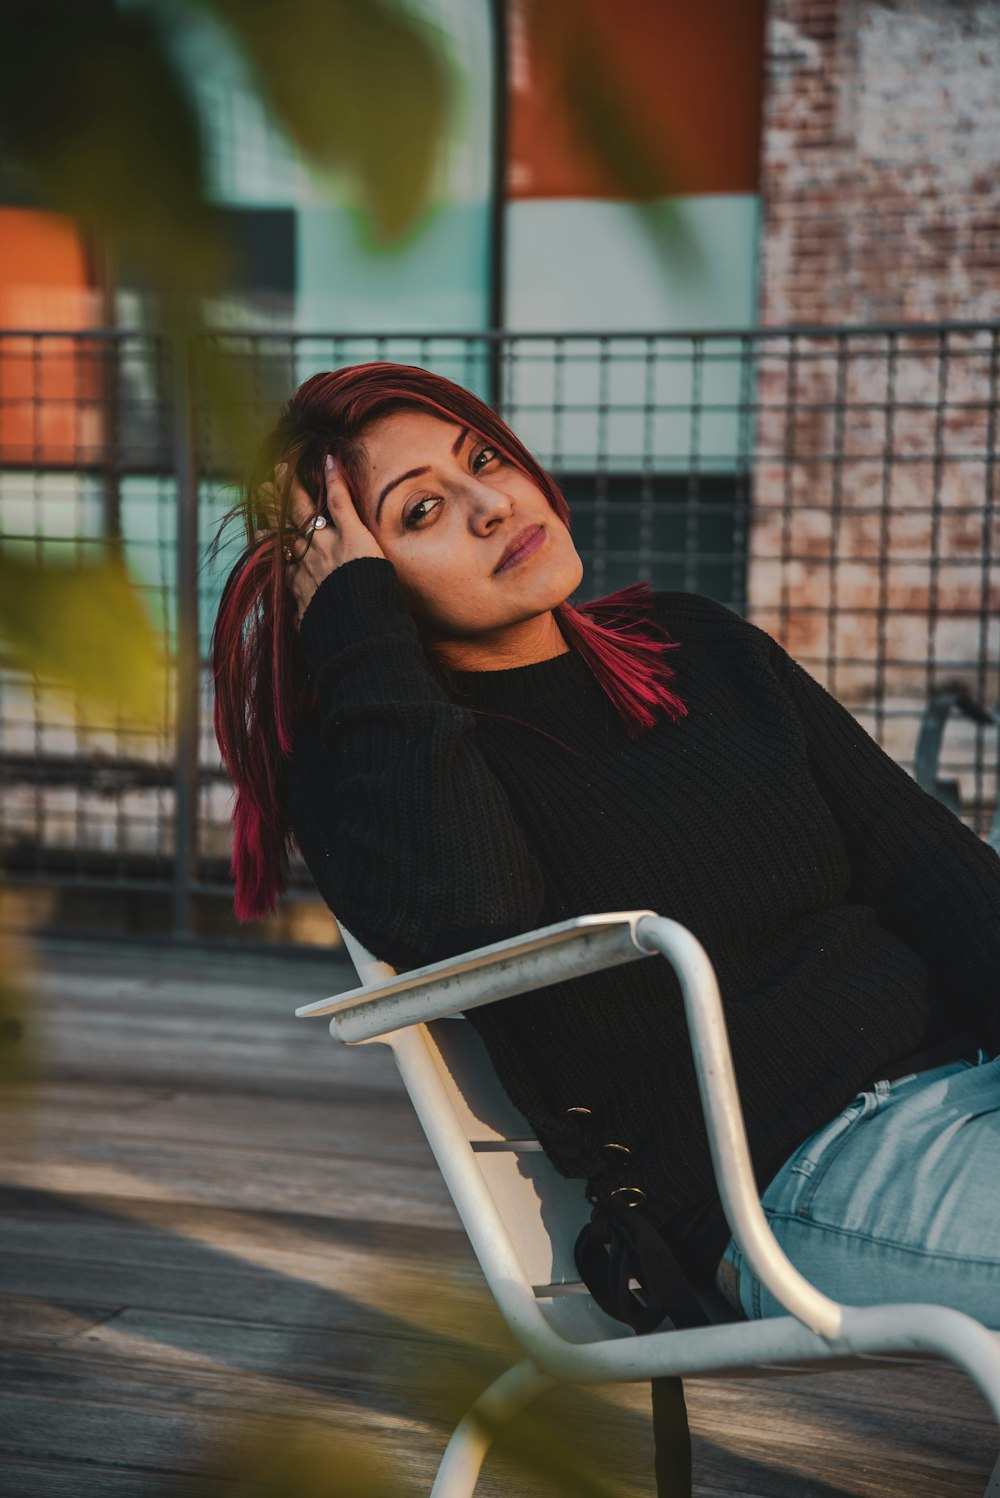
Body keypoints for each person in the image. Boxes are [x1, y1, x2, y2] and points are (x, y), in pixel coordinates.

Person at [212, 361, 1000, 1493]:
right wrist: (360, 626)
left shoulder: (697, 648)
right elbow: (468, 914)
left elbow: (935, 874)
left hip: (964, 1090)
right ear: (360, 582)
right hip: (794, 1183)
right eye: (419, 513)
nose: (492, 505)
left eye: (483, 458)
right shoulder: (386, 772)